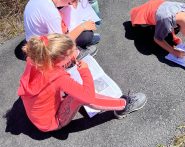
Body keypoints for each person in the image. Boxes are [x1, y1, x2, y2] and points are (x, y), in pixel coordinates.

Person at [17, 34, 147, 132]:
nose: (75, 54)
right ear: (58, 60)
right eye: (71, 53)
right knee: (80, 96)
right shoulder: (57, 77)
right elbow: (88, 97)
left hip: (39, 116)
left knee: (74, 90)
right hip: (52, 122)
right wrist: (85, 71)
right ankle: (124, 105)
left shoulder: (35, 59)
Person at [24, 0, 100, 58]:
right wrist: (82, 26)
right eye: (71, 1)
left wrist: (70, 3)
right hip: (42, 51)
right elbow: (60, 44)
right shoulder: (52, 15)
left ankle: (80, 43)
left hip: (35, 41)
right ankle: (76, 56)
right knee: (86, 35)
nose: (72, 4)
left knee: (84, 32)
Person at [130, 0, 185, 66]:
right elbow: (157, 39)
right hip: (149, 12)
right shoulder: (165, 20)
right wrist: (173, 51)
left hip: (163, 6)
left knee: (168, 28)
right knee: (144, 26)